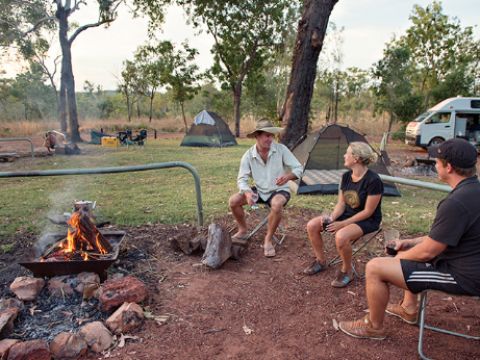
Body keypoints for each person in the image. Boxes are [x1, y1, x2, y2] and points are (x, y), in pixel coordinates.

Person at [338, 138, 480, 340]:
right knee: (406, 251)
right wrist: (410, 244)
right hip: (468, 262)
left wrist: (395, 261)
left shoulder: (456, 203)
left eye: (437, 161)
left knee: (375, 267)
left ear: (448, 167)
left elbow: (428, 252)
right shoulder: (473, 191)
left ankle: (373, 327)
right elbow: (443, 236)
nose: (435, 164)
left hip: (465, 277)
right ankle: (408, 308)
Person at [304, 142, 383, 288]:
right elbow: (341, 204)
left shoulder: (374, 180)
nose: (344, 155)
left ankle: (347, 271)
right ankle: (321, 261)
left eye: (347, 153)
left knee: (341, 236)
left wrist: (343, 224)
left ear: (356, 158)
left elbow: (368, 212)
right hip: (347, 214)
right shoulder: (346, 177)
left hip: (367, 220)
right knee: (312, 225)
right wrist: (332, 218)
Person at [229, 119, 303, 257]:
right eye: (266, 135)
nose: (270, 139)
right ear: (257, 136)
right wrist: (247, 193)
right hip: (260, 191)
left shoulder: (281, 150)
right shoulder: (248, 155)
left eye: (271, 135)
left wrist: (288, 176)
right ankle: (243, 229)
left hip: (279, 190)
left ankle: (268, 239)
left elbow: (299, 168)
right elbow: (241, 179)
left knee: (276, 204)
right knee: (233, 201)